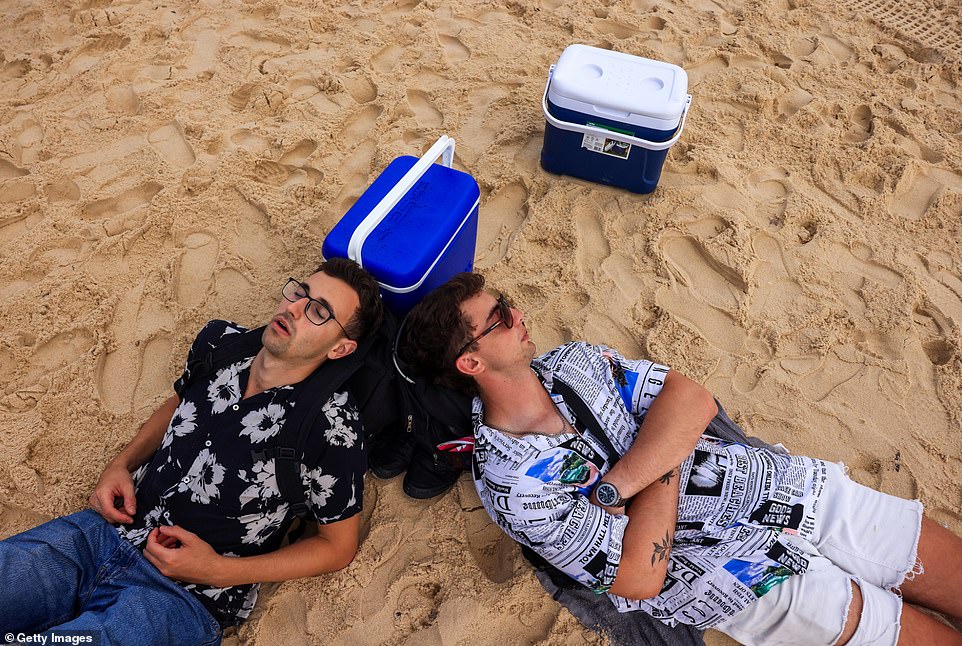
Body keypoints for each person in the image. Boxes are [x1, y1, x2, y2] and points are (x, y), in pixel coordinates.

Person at [399, 272, 962, 646]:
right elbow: (640, 577)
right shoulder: (512, 485)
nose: (518, 314)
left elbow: (692, 398)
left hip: (783, 490)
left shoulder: (572, 363)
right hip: (743, 578)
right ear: (471, 363)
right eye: (498, 317)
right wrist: (665, 459)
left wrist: (620, 489)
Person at [0, 258, 384, 645]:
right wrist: (122, 464)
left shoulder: (333, 430)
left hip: (183, 596)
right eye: (301, 292)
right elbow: (179, 404)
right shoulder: (221, 342)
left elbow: (336, 547)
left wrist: (216, 570)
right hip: (104, 534)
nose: (294, 307)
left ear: (340, 348)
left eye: (319, 311)